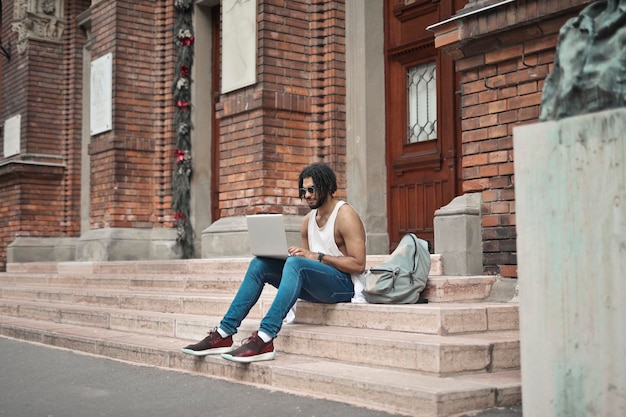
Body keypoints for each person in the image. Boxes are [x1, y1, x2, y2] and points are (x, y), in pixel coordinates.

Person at [181, 162, 367, 363]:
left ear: (328, 187)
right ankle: (224, 333)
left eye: (312, 189)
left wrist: (317, 257)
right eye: (303, 191)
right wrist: (295, 256)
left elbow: (358, 265)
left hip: (344, 286)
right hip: (319, 286)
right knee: (259, 264)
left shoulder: (345, 215)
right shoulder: (307, 221)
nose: (307, 195)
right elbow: (306, 263)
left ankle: (264, 338)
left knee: (296, 264)